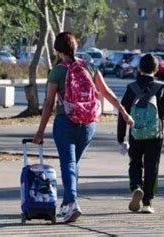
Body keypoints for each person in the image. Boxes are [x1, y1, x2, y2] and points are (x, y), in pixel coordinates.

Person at [33, 32, 133, 223]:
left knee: (68, 164)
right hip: (88, 124)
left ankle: (72, 203)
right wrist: (123, 112)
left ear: (58, 51)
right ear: (75, 48)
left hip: (65, 122)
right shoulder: (89, 66)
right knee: (74, 164)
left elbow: (48, 103)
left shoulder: (57, 71)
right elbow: (106, 91)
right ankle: (66, 205)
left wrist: (40, 132)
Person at [117, 54, 164, 214]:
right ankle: (147, 203)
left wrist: (121, 138)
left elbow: (123, 113)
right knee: (152, 166)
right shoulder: (161, 88)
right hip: (155, 135)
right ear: (156, 70)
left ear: (139, 68)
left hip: (135, 134)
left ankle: (136, 186)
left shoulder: (131, 88)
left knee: (135, 162)